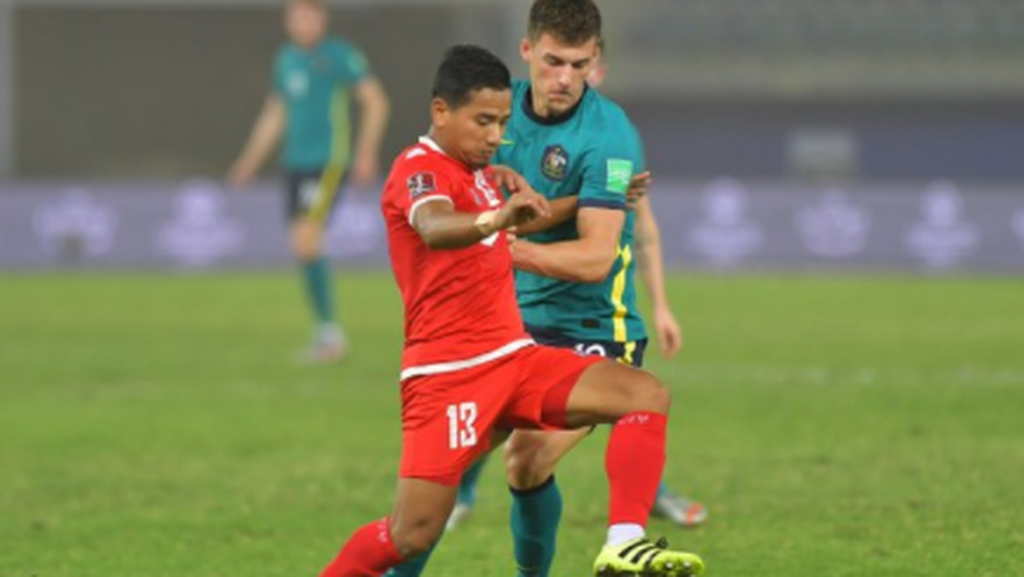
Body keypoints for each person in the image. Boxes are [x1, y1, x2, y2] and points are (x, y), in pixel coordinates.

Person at [316, 44, 704, 577]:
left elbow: (519, 218)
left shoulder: (479, 172)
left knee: (644, 394)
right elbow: (434, 225)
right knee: (411, 533)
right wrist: (495, 219)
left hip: (515, 360)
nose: (496, 135)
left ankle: (624, 543)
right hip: (450, 374)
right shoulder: (418, 168)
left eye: (501, 122)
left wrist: (594, 197)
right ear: (440, 111)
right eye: (483, 121)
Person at [229, 0, 390, 362]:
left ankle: (330, 336)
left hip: (327, 161)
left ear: (322, 18)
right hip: (295, 163)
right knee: (303, 245)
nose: (302, 23)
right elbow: (275, 113)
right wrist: (249, 161)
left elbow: (376, 102)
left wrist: (365, 152)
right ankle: (326, 333)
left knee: (306, 239)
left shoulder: (339, 56)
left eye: (308, 15)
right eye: (295, 16)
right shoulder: (286, 59)